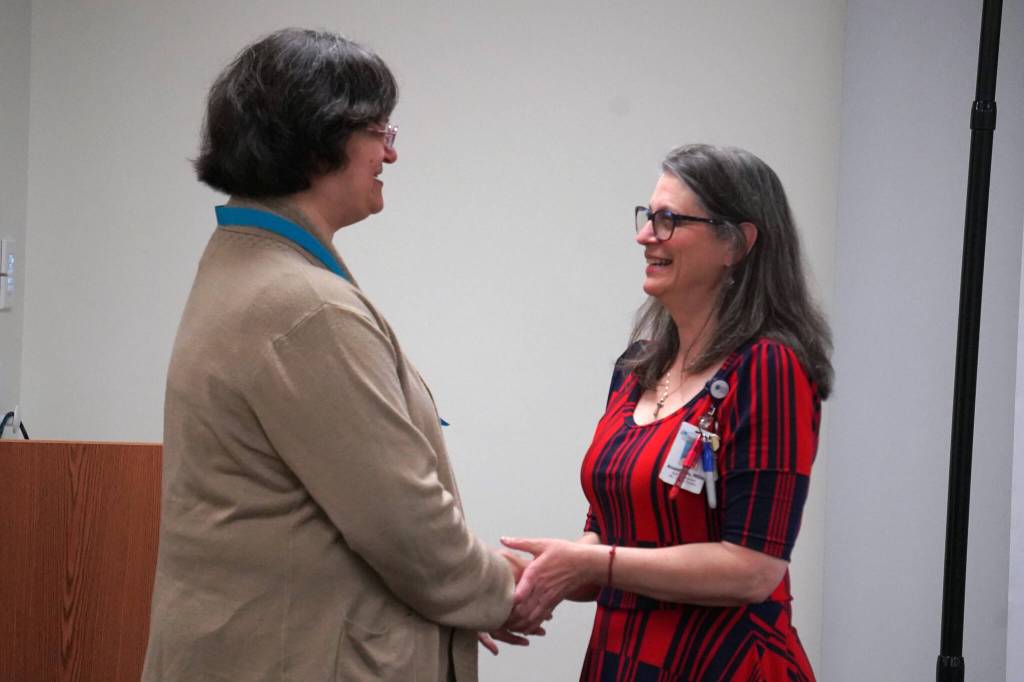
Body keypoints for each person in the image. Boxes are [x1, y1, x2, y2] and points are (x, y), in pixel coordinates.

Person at [142, 28, 528, 682]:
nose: (391, 155)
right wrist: (498, 591)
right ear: (321, 136)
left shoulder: (252, 271)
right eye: (381, 130)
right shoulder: (303, 307)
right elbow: (405, 528)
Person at [502, 144, 832, 681]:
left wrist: (591, 563)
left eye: (669, 220)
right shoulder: (635, 369)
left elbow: (752, 570)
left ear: (737, 244)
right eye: (648, 216)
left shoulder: (769, 368)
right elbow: (606, 538)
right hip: (624, 661)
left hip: (725, 666)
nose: (645, 235)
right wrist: (527, 577)